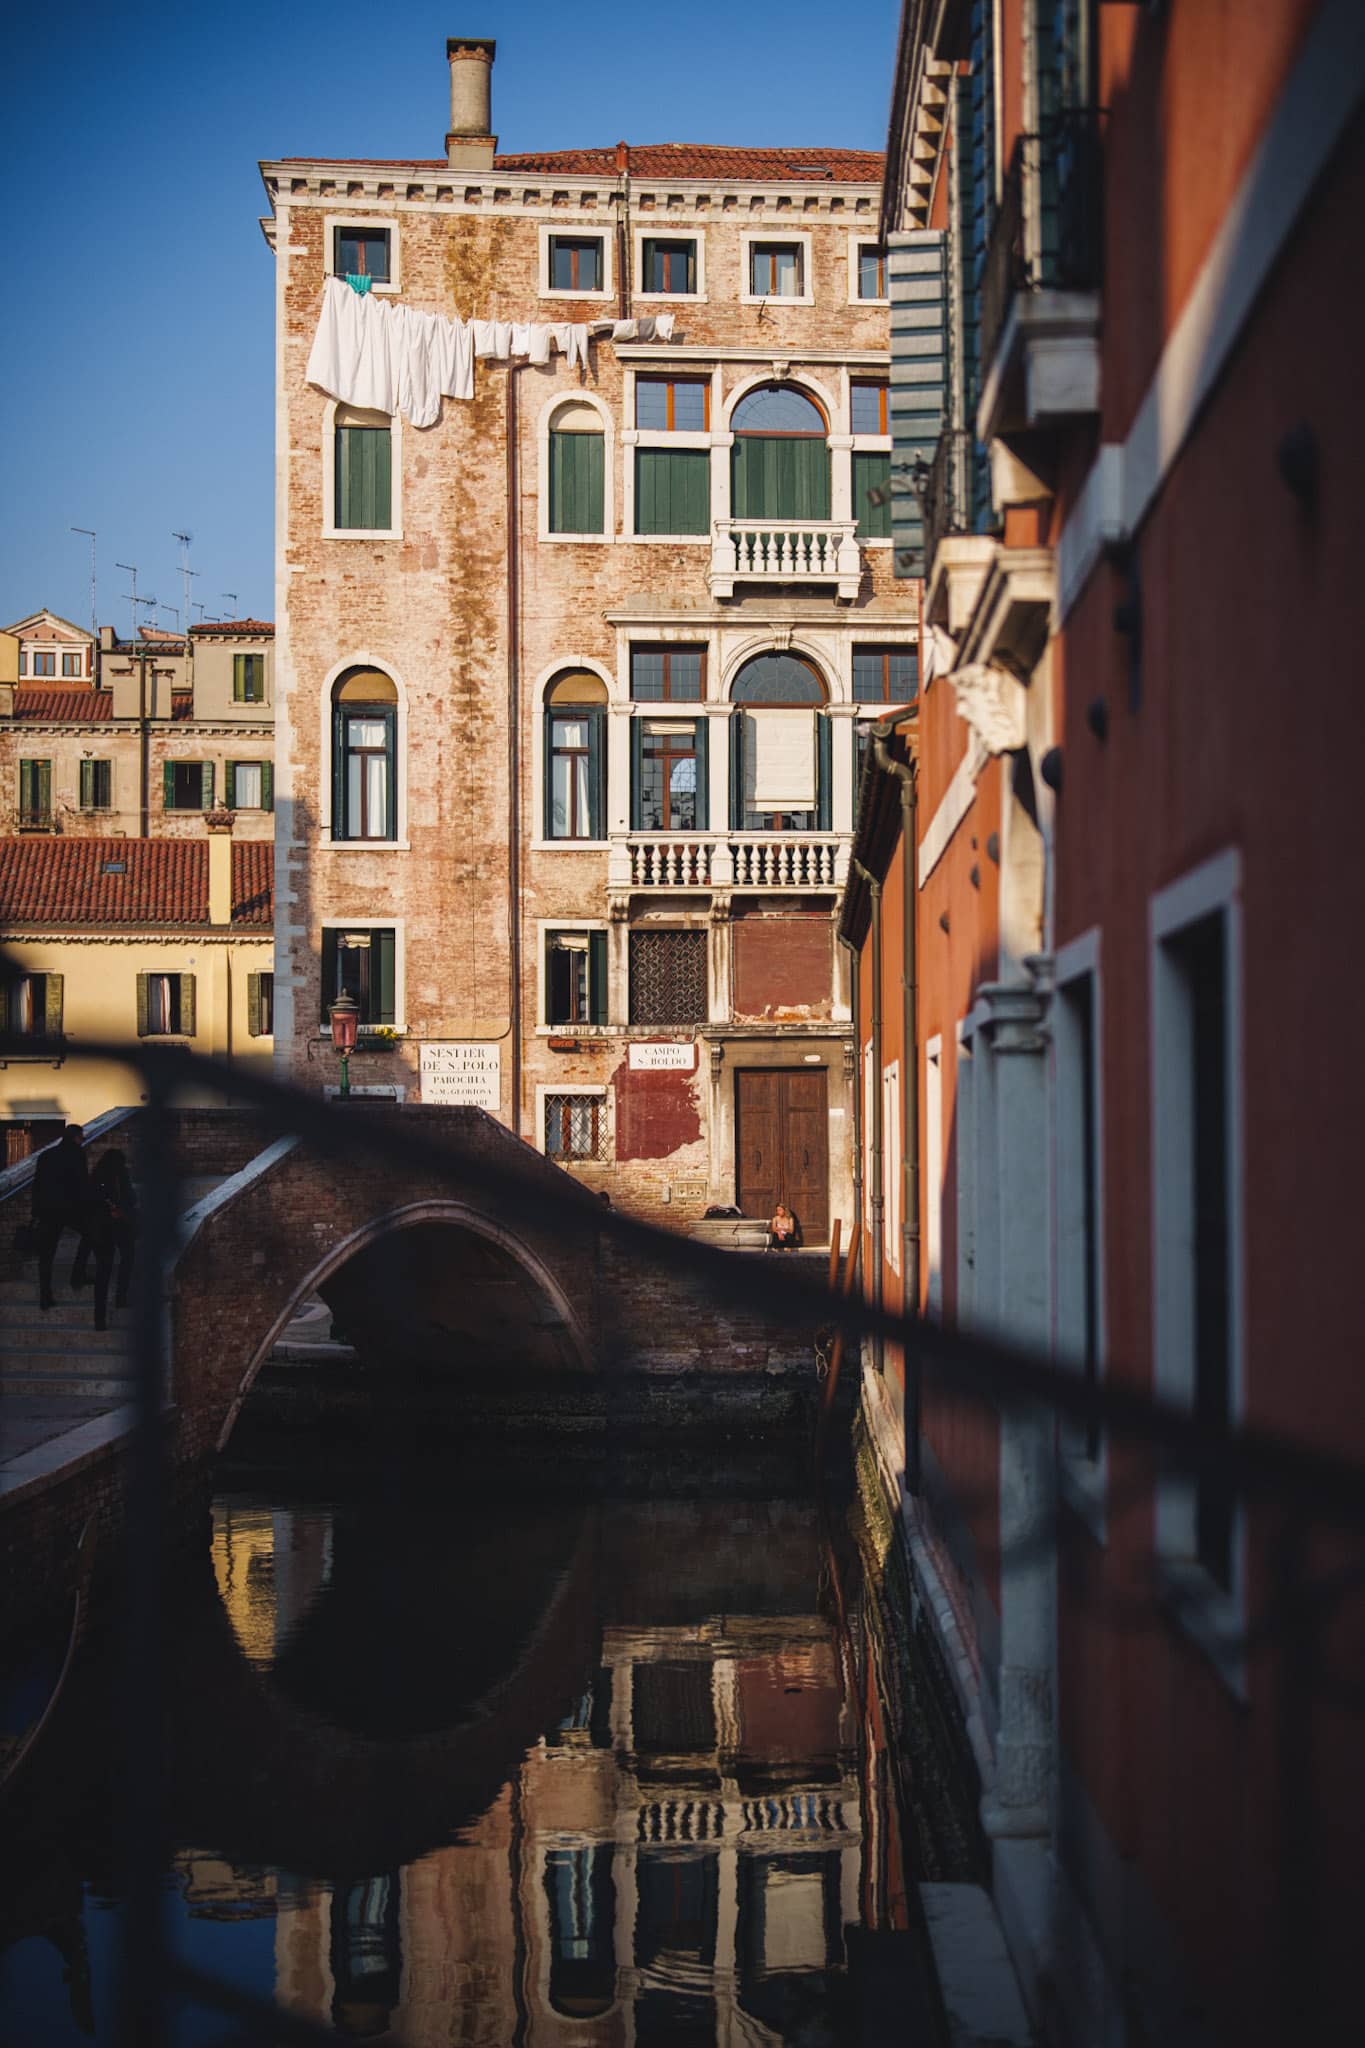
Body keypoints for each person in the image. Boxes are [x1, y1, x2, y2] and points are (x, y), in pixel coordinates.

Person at [72, 1148, 137, 1330]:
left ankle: (99, 1319)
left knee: (103, 1273)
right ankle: (121, 1297)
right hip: (118, 1226)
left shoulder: (95, 1177)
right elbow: (131, 1197)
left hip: (100, 1230)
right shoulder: (120, 1175)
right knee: (127, 1258)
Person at [29, 1125, 88, 1311]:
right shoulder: (77, 1155)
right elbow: (82, 1183)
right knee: (92, 1235)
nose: (83, 1140)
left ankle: (45, 1296)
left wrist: (36, 1212)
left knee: (46, 1256)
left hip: (47, 1211)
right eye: (81, 1137)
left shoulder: (46, 1156)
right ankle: (77, 1276)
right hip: (70, 1210)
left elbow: (37, 1186)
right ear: (76, 1137)